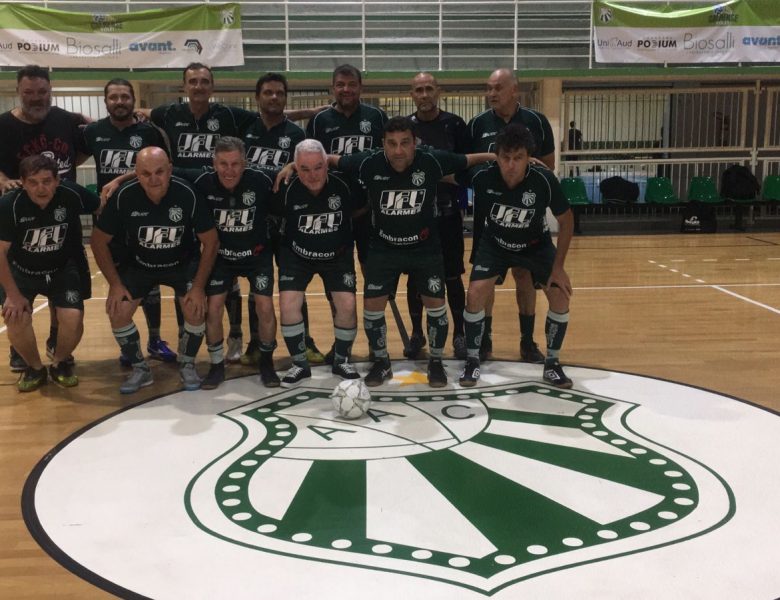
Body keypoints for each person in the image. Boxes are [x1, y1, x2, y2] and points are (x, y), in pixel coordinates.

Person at [328, 116, 493, 388]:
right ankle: (381, 363)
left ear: (415, 143)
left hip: (424, 247)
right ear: (382, 145)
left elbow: (468, 159)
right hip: (383, 247)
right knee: (372, 307)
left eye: (405, 143)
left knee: (436, 307)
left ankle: (436, 362)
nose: (398, 150)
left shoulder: (432, 160)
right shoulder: (368, 162)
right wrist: (292, 166)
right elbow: (331, 160)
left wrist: (497, 156)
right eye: (391, 144)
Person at [90, 147, 219, 394]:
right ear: (136, 174)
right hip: (140, 265)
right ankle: (141, 368)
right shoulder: (124, 196)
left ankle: (187, 363)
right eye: (146, 173)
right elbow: (98, 241)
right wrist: (115, 285)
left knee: (195, 308)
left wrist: (200, 287)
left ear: (170, 169)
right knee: (118, 311)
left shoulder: (187, 194)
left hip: (182, 263)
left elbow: (211, 241)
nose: (153, 179)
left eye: (160, 171)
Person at [459, 124, 574, 388]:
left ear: (528, 158)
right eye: (505, 158)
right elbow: (446, 173)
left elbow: (566, 220)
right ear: (497, 157)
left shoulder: (543, 180)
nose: (511, 165)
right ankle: (473, 360)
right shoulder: (483, 176)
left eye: (518, 158)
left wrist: (558, 267)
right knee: (475, 293)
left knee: (559, 293)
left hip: (535, 244)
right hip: (495, 243)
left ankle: (553, 363)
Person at [0, 65, 91, 372]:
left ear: (51, 90)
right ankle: (21, 352)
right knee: (18, 297)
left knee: (62, 293)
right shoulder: (3, 126)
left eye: (42, 92)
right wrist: (3, 181)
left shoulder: (64, 120)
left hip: (62, 220)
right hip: (21, 223)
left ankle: (57, 342)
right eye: (29, 92)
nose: (37, 98)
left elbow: (81, 149)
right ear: (18, 92)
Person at [83, 78, 178, 367]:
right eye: (114, 97)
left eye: (125, 96)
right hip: (111, 222)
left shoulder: (149, 132)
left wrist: (121, 179)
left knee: (149, 280)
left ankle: (155, 339)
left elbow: (162, 168)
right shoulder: (93, 132)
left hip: (146, 218)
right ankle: (128, 345)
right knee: (120, 283)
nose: (120, 102)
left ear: (133, 99)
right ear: (105, 101)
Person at [467, 68, 556, 364]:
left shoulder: (536, 121)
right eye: (488, 88)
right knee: (486, 280)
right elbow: (467, 166)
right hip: (489, 215)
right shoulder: (477, 124)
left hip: (526, 216)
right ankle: (485, 340)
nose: (492, 93)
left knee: (524, 275)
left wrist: (524, 165)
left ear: (514, 90)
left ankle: (527, 341)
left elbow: (549, 165)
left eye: (498, 88)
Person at [306, 64, 389, 363]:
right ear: (332, 88)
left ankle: (376, 344)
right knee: (337, 285)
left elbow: (386, 158)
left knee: (374, 280)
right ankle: (342, 345)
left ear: (360, 87)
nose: (346, 90)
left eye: (351, 84)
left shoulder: (377, 118)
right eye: (340, 84)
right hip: (334, 215)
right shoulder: (319, 122)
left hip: (370, 213)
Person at [0, 155, 100, 391]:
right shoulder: (9, 205)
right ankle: (34, 367)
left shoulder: (71, 194)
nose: (40, 188)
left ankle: (59, 362)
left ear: (57, 180)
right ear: (22, 182)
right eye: (33, 182)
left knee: (73, 318)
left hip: (62, 269)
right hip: (22, 271)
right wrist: (13, 296)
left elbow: (100, 207)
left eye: (46, 181)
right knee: (15, 317)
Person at [241, 73, 316, 368]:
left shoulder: (297, 136)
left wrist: (290, 164)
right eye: (268, 93)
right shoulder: (245, 129)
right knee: (257, 286)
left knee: (293, 285)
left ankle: (305, 341)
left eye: (279, 93)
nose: (274, 97)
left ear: (286, 98)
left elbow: (309, 166)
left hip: (287, 221)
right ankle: (257, 344)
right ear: (258, 96)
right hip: (252, 220)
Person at [276, 139, 362, 386]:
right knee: (288, 303)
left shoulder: (345, 185)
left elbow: (361, 208)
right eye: (303, 168)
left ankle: (341, 360)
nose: (312, 175)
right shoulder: (284, 187)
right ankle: (299, 364)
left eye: (317, 167)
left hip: (338, 255)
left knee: (346, 304)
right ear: (295, 167)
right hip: (297, 255)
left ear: (326, 164)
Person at [407, 72, 470, 360]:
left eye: (429, 88)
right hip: (414, 215)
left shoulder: (455, 125)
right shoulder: (405, 128)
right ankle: (416, 333)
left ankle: (459, 333)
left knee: (452, 276)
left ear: (438, 92)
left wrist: (438, 176)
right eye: (418, 89)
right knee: (414, 279)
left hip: (448, 214)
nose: (424, 94)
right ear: (412, 94)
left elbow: (467, 168)